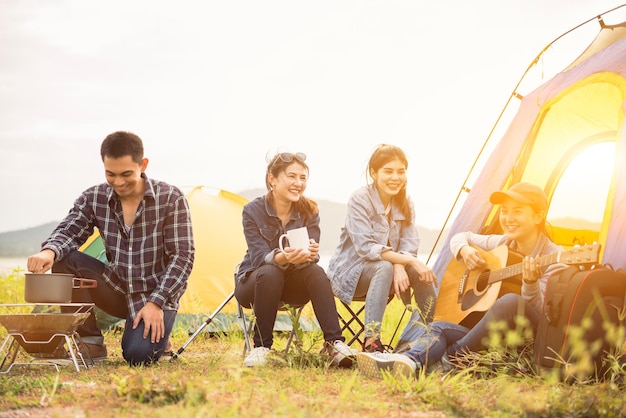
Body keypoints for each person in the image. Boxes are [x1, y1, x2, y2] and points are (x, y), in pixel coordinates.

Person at [357, 182, 567, 378]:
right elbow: (460, 236)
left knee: (510, 302)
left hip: (529, 337)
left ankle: (448, 361)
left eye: (517, 211)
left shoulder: (554, 258)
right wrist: (464, 250)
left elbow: (544, 315)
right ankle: (407, 361)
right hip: (495, 332)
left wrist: (530, 284)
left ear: (538, 216)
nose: (508, 218)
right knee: (439, 327)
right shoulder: (503, 242)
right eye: (504, 211)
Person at [27, 131, 195, 366]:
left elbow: (183, 258)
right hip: (116, 288)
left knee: (138, 356)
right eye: (110, 174)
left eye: (126, 174)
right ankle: (90, 342)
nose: (118, 182)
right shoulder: (94, 197)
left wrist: (156, 303)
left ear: (143, 165)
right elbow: (69, 230)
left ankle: (156, 336)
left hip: (156, 295)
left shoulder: (171, 198)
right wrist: (49, 251)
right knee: (63, 258)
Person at [234, 151, 357, 367]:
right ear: (272, 179)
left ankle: (334, 343)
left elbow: (311, 257)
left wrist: (309, 254)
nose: (298, 183)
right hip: (255, 285)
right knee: (270, 271)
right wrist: (282, 257)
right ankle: (262, 347)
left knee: (316, 272)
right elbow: (259, 257)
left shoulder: (309, 210)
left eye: (302, 178)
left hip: (292, 286)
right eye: (292, 176)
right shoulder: (252, 211)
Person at [327, 144, 438, 353]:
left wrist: (400, 264)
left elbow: (409, 243)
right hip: (351, 275)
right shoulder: (360, 198)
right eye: (388, 171)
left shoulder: (406, 201)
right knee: (387, 267)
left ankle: (426, 339)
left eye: (401, 171)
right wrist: (404, 262)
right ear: (374, 173)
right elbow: (366, 247)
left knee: (422, 273)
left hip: (386, 271)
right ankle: (372, 341)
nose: (395, 177)